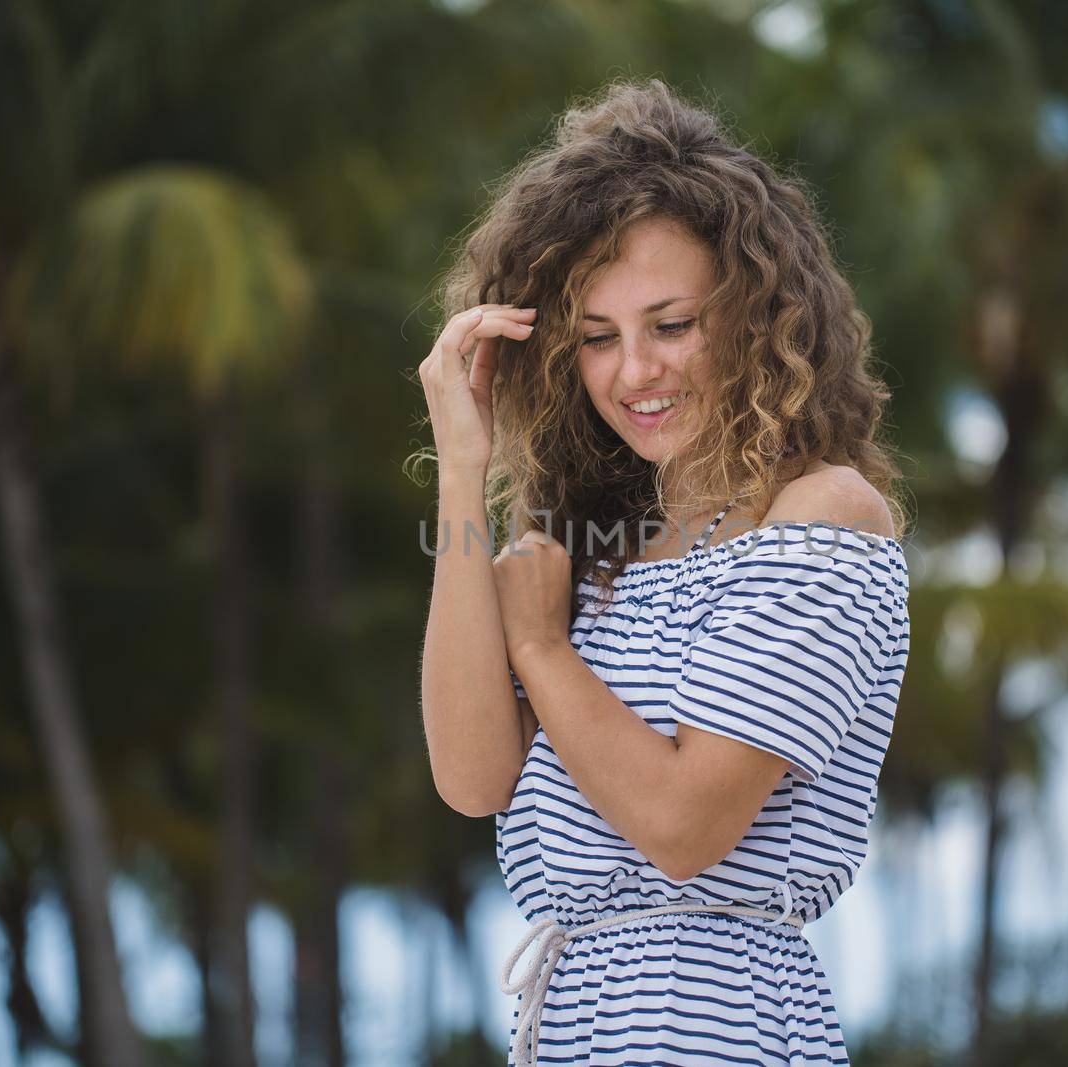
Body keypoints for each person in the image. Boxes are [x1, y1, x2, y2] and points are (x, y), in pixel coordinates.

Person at [416, 77, 912, 1066]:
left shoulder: (823, 512)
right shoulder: (597, 554)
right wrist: (465, 471)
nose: (633, 369)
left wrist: (541, 648)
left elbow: (685, 828)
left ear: (755, 313)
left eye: (670, 323)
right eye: (597, 337)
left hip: (716, 1024)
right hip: (572, 1029)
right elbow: (473, 778)